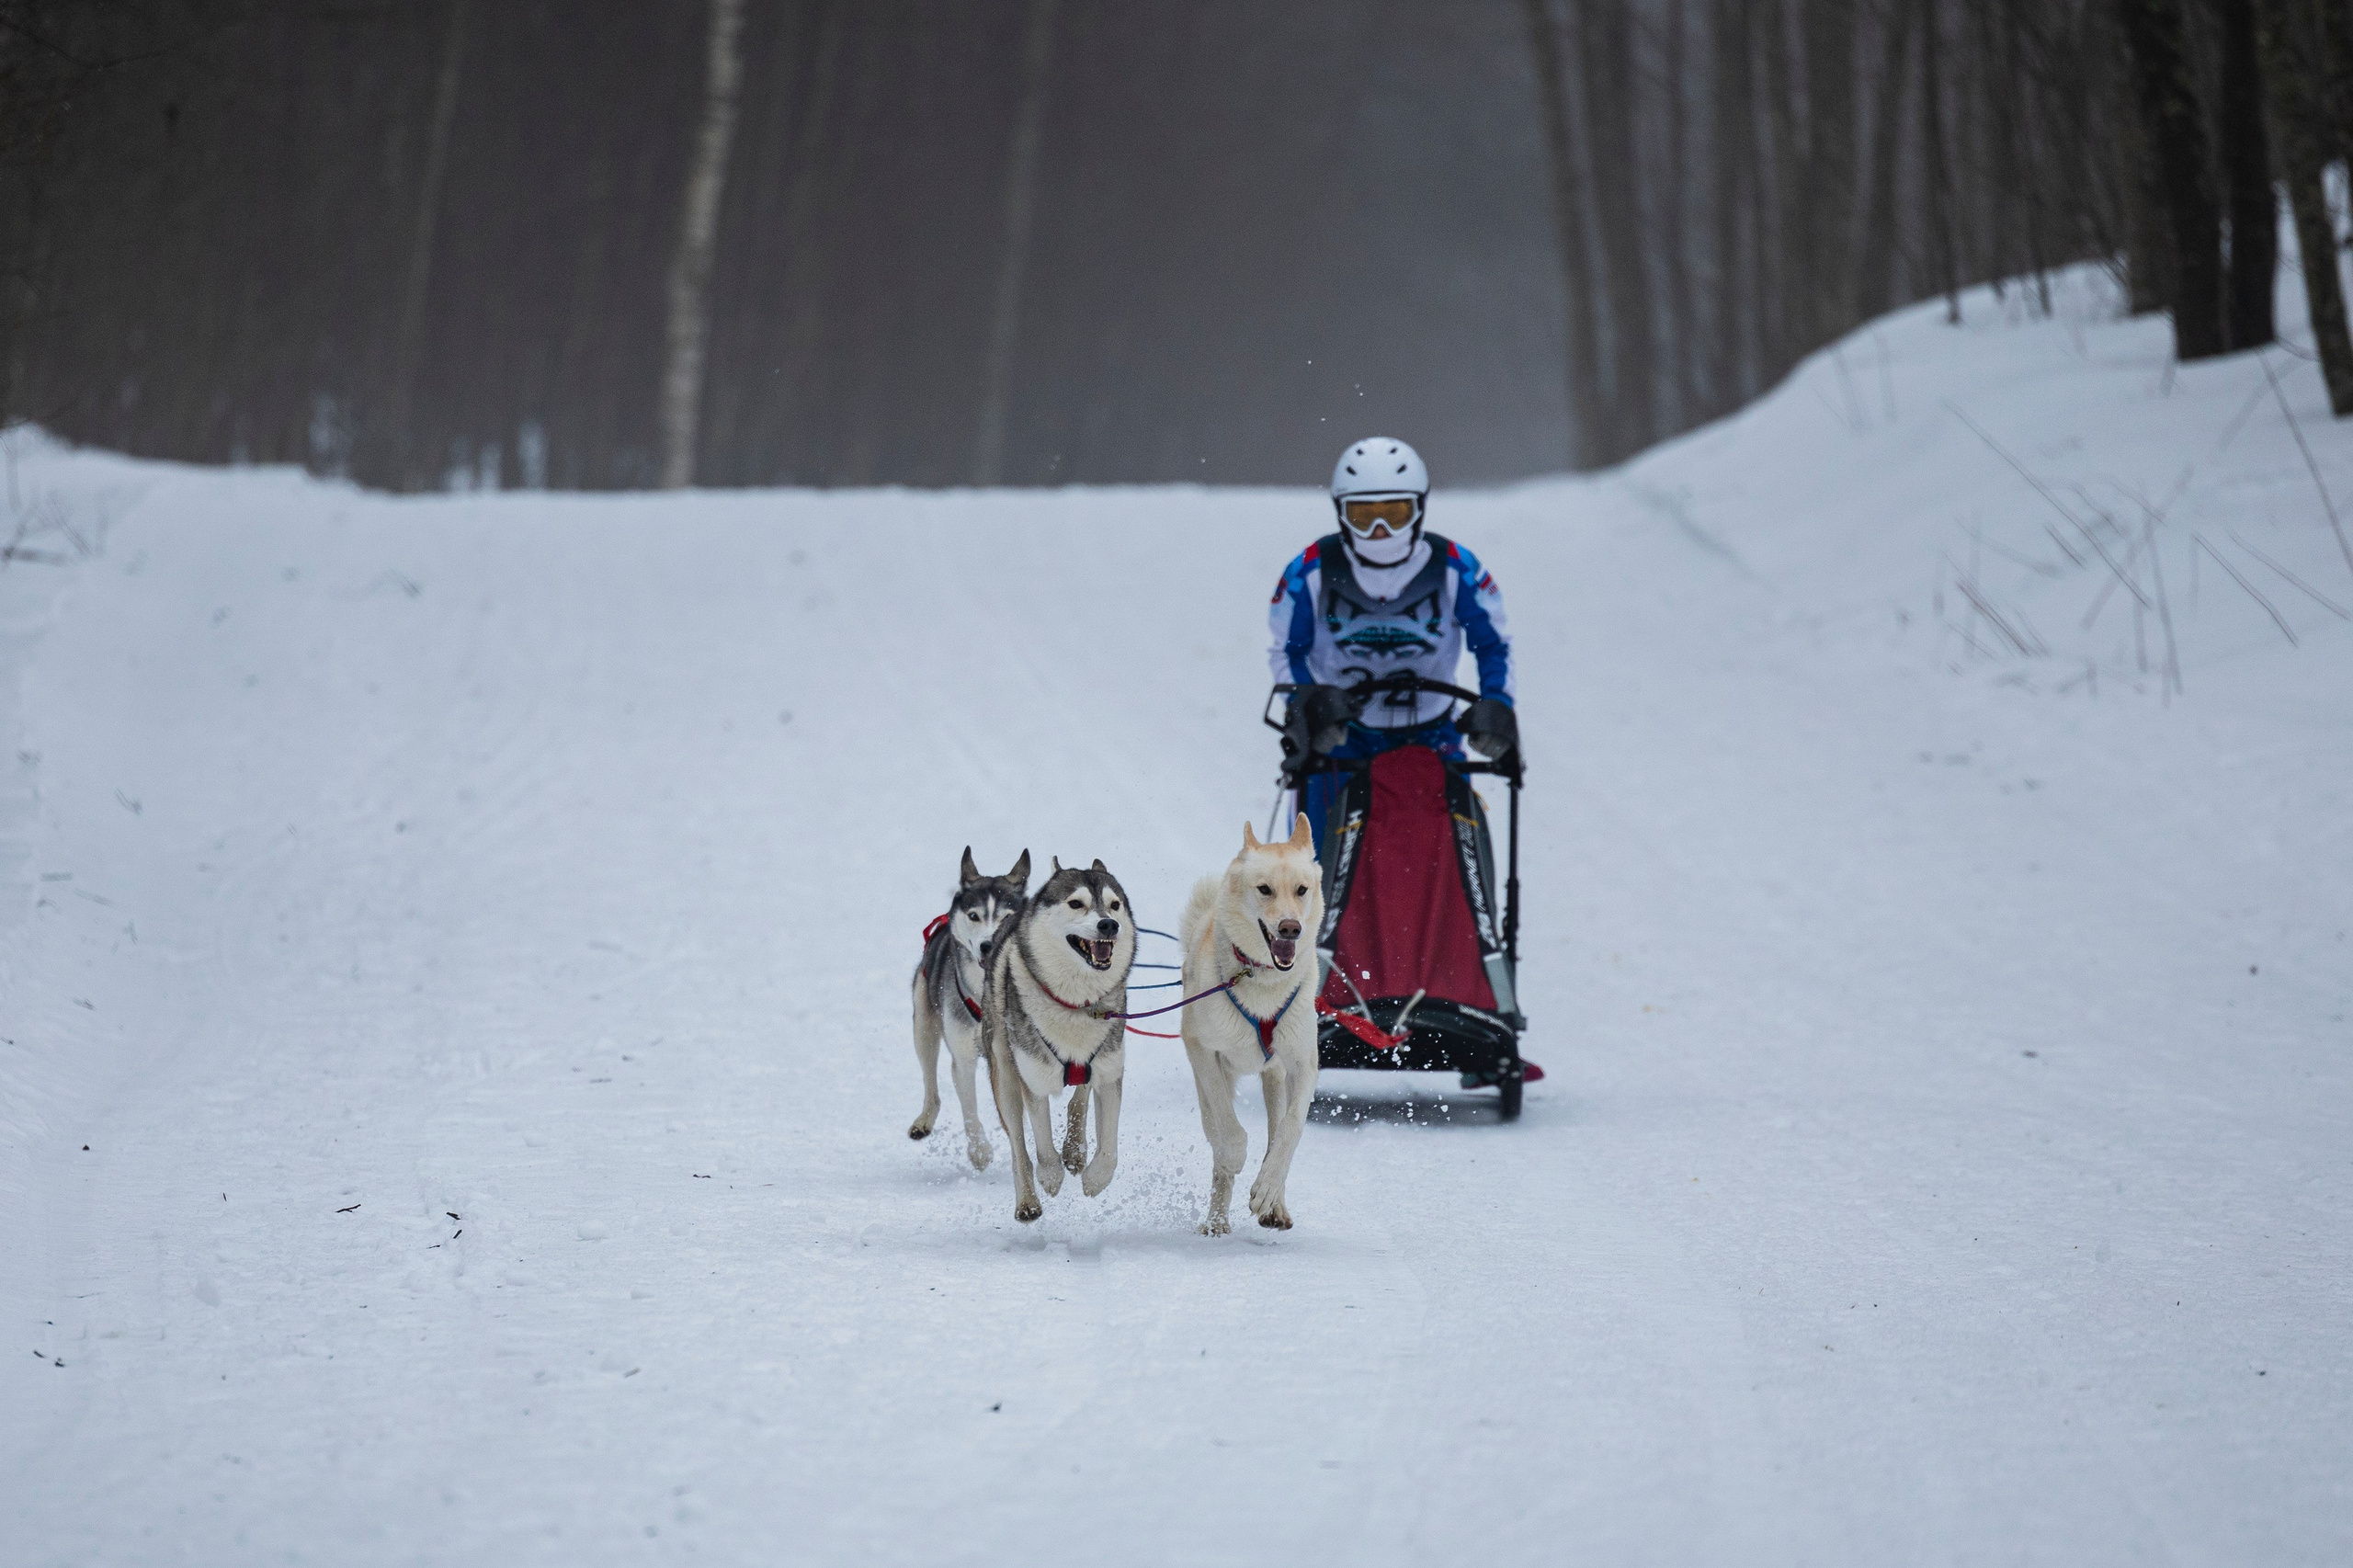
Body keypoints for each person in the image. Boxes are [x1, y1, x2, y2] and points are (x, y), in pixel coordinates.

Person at [1267, 437, 1517, 851]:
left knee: (1453, 854)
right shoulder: (1309, 571)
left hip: (1434, 736)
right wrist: (1307, 704)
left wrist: (1497, 703)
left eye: (1394, 514)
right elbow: (1285, 650)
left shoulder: (1455, 566)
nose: (1379, 531)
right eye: (1363, 515)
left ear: (1419, 508)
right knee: (1314, 864)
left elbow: (1494, 644)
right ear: (1341, 512)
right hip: (1340, 738)